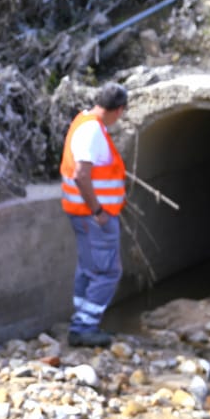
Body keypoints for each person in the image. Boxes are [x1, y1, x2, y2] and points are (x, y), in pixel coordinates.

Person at [60, 82, 129, 348]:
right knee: (107, 271)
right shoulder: (91, 131)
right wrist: (98, 210)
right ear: (119, 110)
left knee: (89, 268)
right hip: (94, 216)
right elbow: (81, 173)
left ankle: (82, 319)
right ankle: (84, 327)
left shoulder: (84, 121)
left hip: (82, 213)